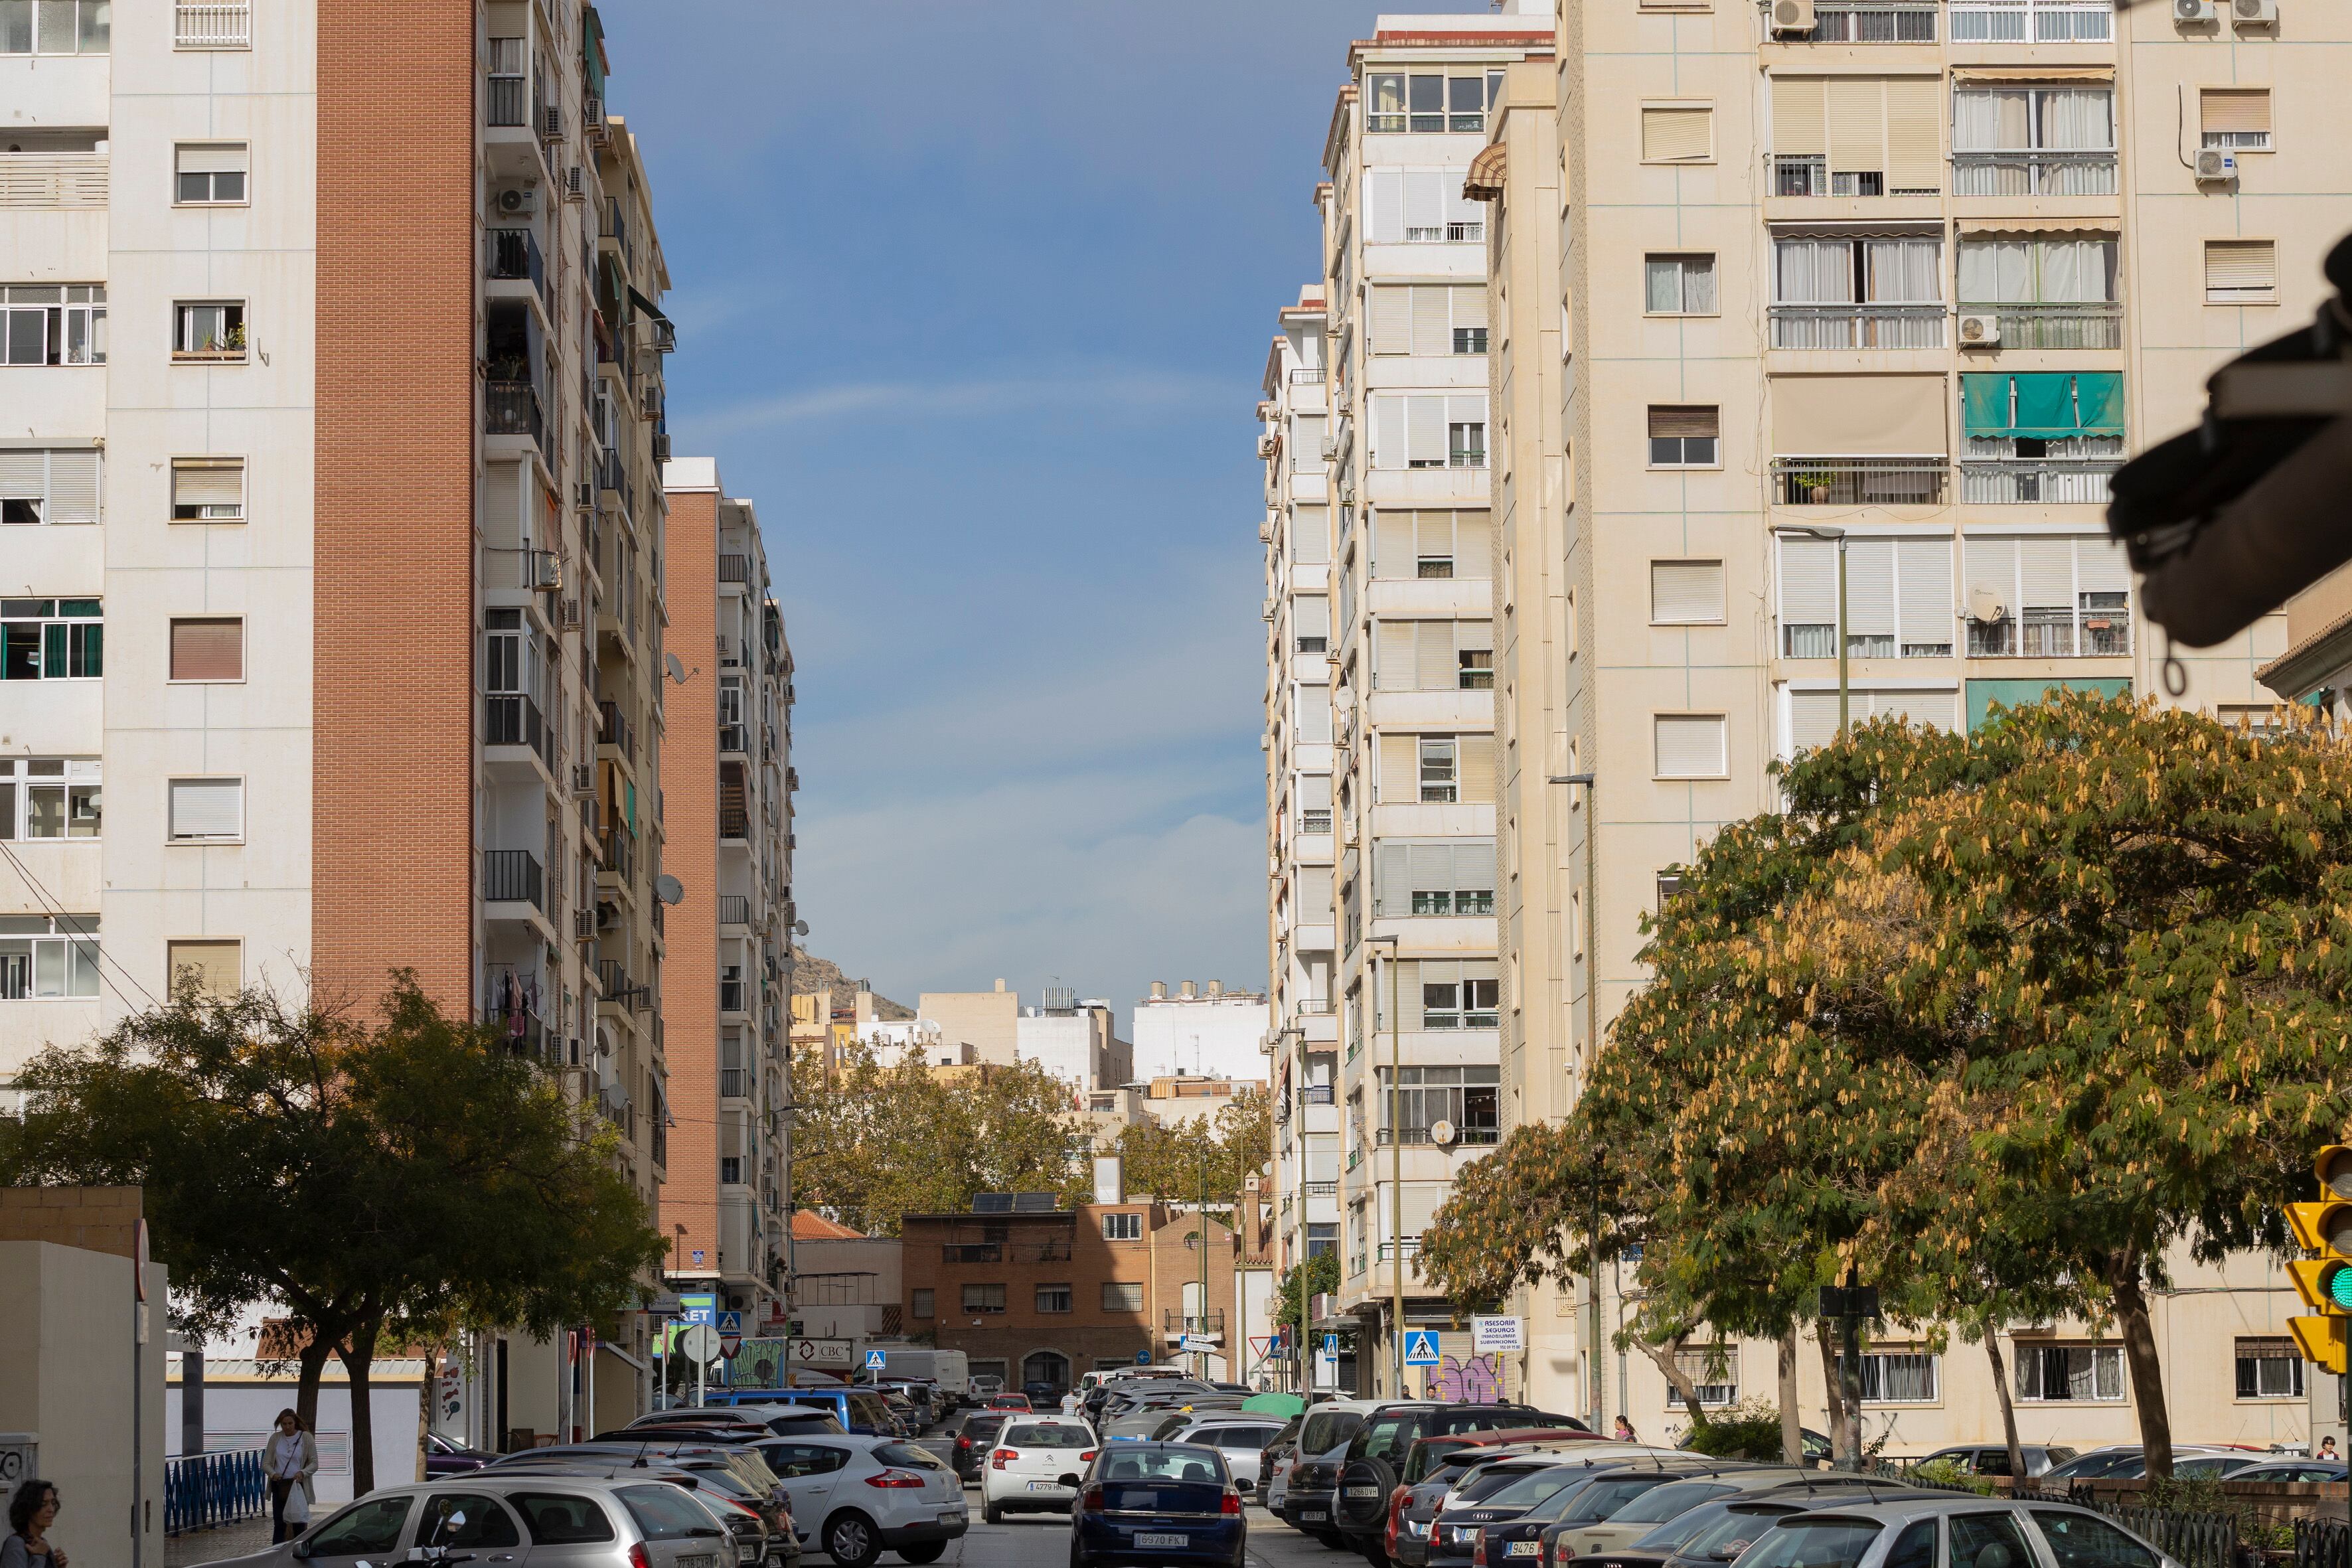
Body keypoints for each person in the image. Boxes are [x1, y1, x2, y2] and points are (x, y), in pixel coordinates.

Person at [264, 1409, 318, 1544]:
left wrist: (303, 1473)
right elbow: (266, 1463)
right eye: (284, 1424)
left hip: (297, 1486)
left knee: (299, 1523)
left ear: (295, 1423)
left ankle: (299, 1552)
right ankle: (276, 1554)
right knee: (279, 1524)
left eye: (290, 1423)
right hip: (280, 1485)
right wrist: (273, 1474)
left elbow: (314, 1463)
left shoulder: (306, 1437)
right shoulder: (275, 1438)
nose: (287, 1427)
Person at [3, 1479, 68, 1568]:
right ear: (28, 1509)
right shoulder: (16, 1544)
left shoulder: (42, 1544)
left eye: (53, 1503)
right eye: (43, 1504)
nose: (51, 1510)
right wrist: (39, 1557)